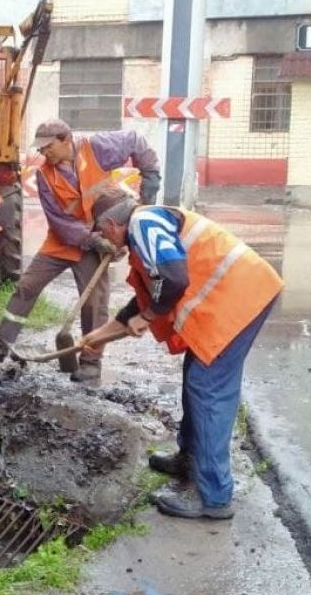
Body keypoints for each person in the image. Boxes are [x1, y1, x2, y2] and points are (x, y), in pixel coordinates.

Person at [81, 189, 282, 520]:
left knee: (208, 391)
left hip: (238, 300)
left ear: (113, 223)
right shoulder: (144, 230)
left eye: (102, 232)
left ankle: (214, 498)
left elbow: (172, 280)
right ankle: (189, 458)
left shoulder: (143, 223)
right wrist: (100, 336)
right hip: (237, 297)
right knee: (196, 379)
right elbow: (149, 295)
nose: (104, 240)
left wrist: (145, 320)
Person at [0, 118, 162, 382]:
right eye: (40, 149)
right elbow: (60, 222)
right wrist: (91, 240)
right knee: (27, 285)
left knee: (94, 304)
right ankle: (1, 343)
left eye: (48, 147)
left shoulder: (96, 148)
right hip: (64, 241)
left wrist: (150, 173)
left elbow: (134, 140)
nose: (43, 153)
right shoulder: (44, 175)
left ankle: (91, 364)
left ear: (65, 139)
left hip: (99, 237)